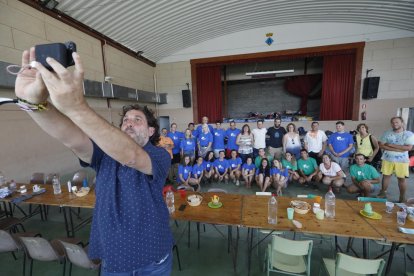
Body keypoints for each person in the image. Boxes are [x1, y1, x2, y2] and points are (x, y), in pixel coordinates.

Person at [16, 49, 173, 274]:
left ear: (150, 131)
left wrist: (76, 107)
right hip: (113, 257)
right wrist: (33, 104)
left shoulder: (159, 154)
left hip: (152, 257)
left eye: (137, 120)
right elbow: (72, 137)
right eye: (126, 120)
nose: (129, 123)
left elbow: (132, 156)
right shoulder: (103, 155)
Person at [378, 117, 414, 202]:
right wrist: (399, 149)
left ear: (402, 122)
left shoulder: (408, 134)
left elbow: (409, 147)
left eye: (397, 122)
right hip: (387, 159)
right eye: (393, 122)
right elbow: (381, 145)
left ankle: (402, 196)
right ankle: (383, 192)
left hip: (402, 161)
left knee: (401, 179)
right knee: (386, 176)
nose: (395, 124)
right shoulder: (387, 133)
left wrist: (390, 145)